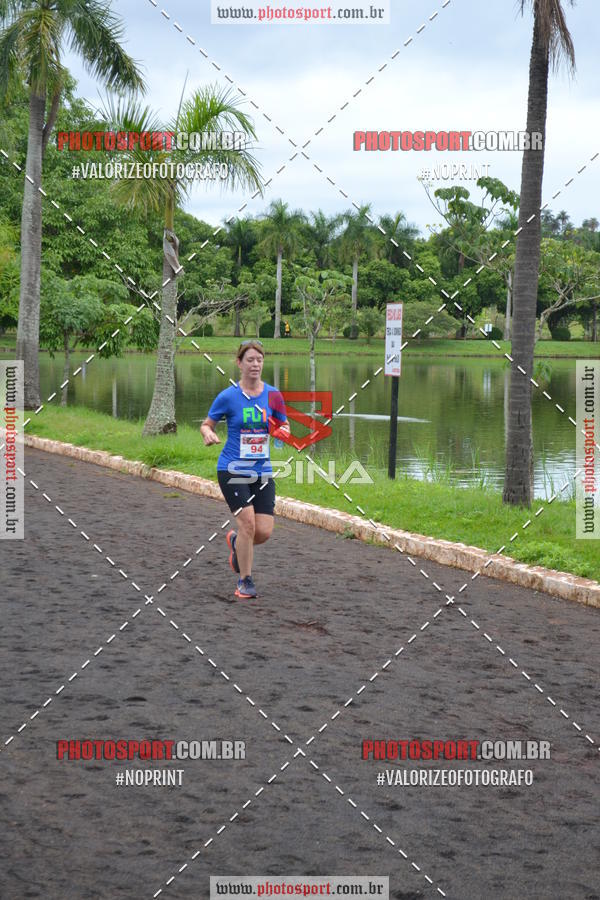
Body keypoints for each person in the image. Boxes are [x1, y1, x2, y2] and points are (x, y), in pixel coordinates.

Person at [200, 340, 289, 599]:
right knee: (248, 524)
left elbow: (284, 426)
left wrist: (283, 433)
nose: (255, 364)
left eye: (259, 360)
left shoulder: (273, 395)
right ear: (239, 363)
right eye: (250, 360)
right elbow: (207, 424)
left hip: (262, 471)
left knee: (263, 531)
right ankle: (245, 580)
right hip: (231, 469)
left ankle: (237, 543)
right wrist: (208, 434)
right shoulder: (228, 396)